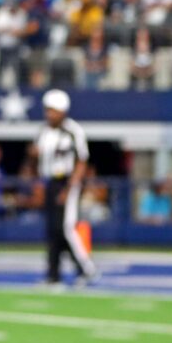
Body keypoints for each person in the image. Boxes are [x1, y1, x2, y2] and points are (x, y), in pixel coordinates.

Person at [30, 89, 99, 286]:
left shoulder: (73, 131)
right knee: (52, 230)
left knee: (67, 229)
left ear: (62, 111)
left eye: (52, 110)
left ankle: (86, 269)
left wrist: (70, 188)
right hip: (50, 182)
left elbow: (81, 161)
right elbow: (38, 159)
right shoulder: (43, 131)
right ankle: (53, 274)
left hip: (67, 182)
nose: (48, 114)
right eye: (47, 110)